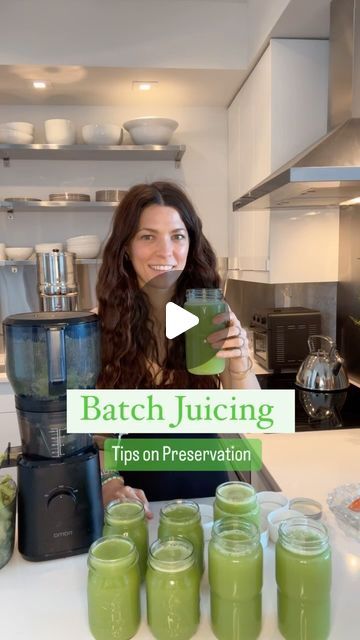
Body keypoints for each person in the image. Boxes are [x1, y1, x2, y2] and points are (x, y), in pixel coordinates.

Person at [95, 181, 260, 516]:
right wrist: (111, 482)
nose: (165, 251)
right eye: (147, 236)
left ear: (190, 243)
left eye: (177, 236)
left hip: (206, 490)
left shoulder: (211, 311)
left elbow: (251, 414)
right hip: (137, 497)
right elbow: (99, 434)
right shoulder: (104, 326)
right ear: (126, 247)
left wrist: (240, 360)